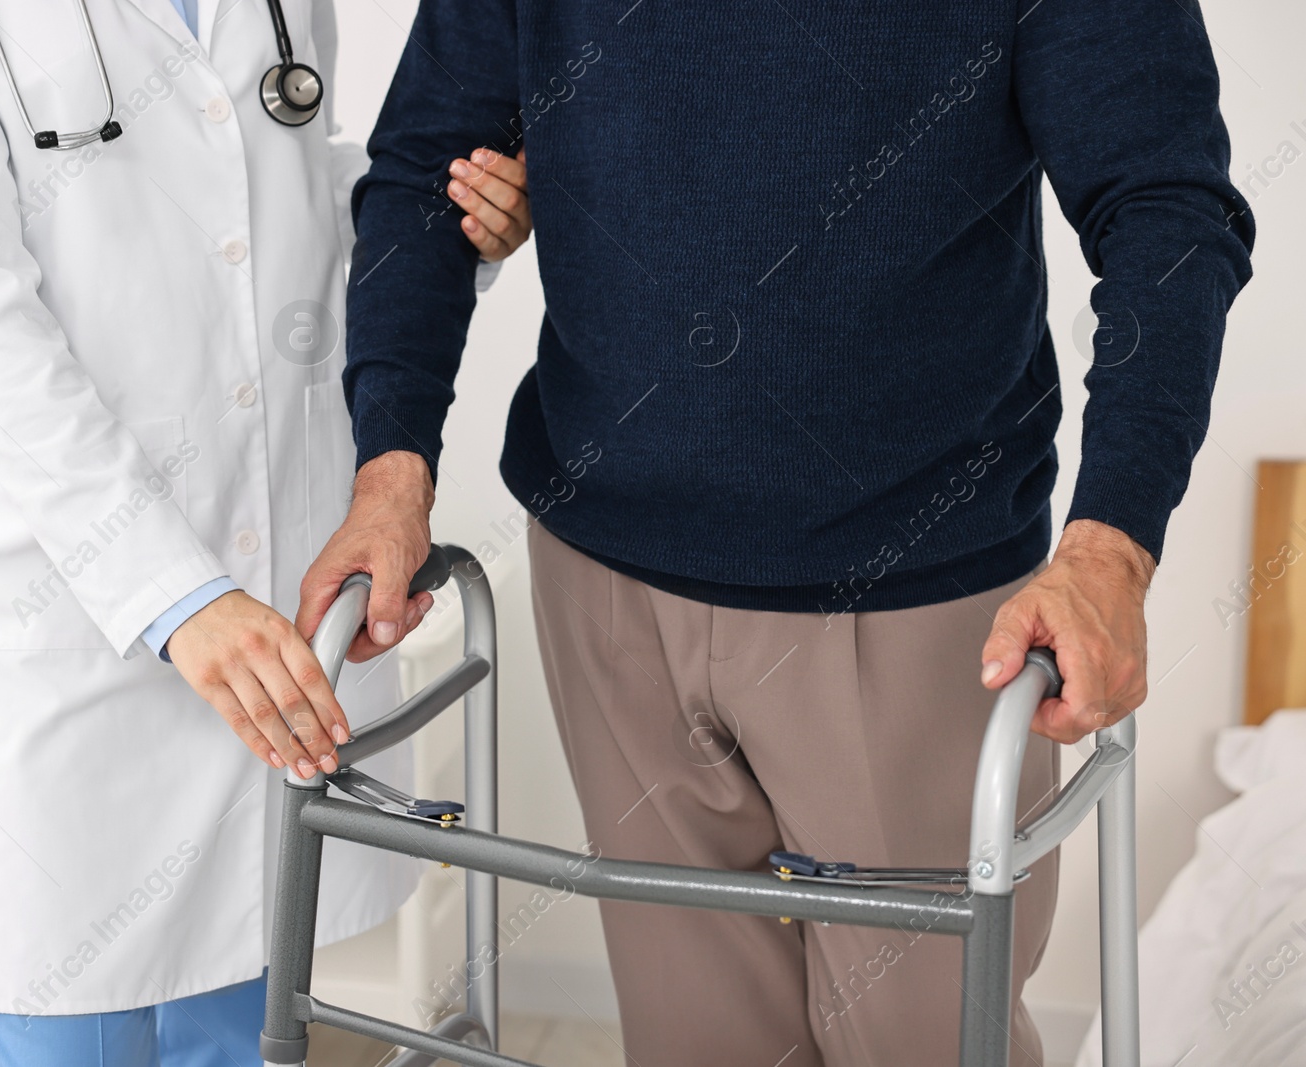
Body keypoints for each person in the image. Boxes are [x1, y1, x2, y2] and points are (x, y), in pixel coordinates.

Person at [300, 1, 1255, 1063]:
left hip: (917, 600)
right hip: (605, 582)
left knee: (925, 1044)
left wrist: (1110, 542)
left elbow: (1165, 209)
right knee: (694, 1043)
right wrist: (391, 467)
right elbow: (429, 169)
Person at [0, 1, 531, 1064]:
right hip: (74, 597)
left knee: (244, 1025)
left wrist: (442, 220)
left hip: (271, 583)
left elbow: (280, 186)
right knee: (67, 1036)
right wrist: (171, 592)